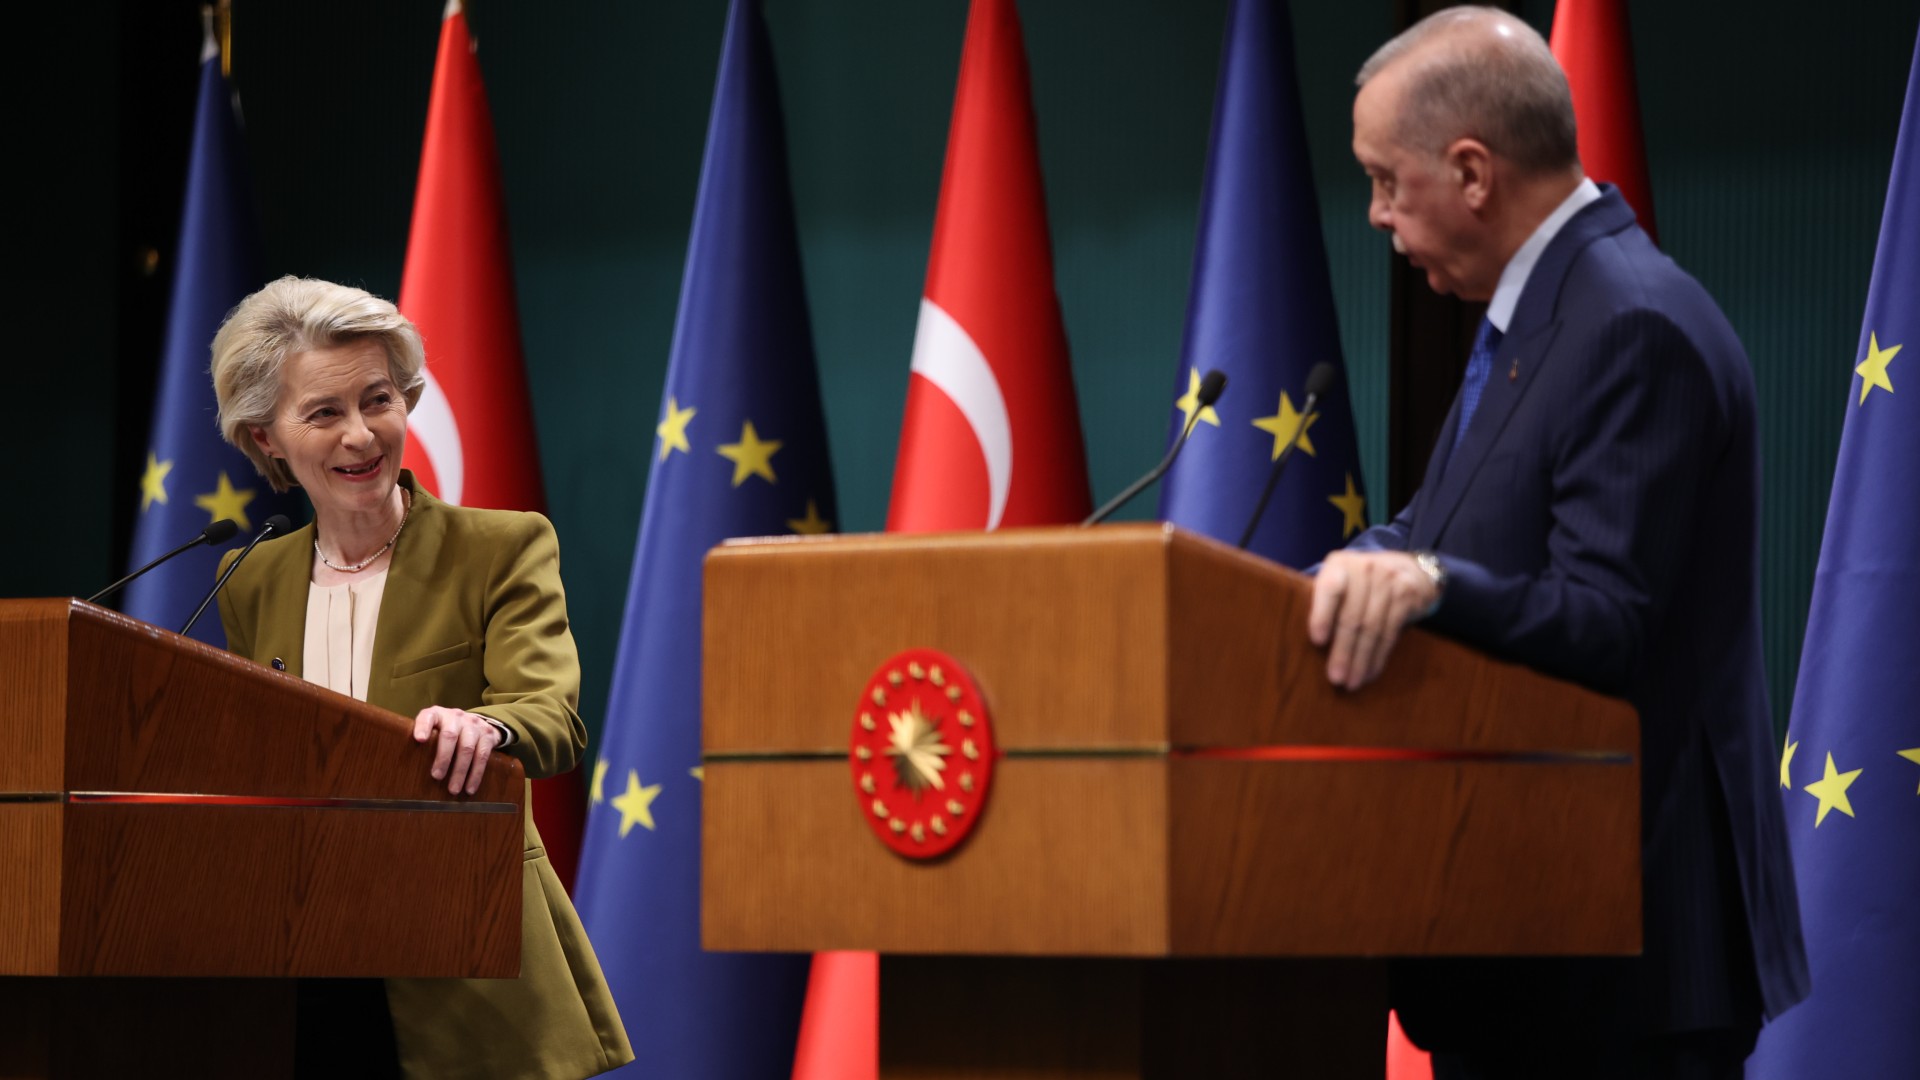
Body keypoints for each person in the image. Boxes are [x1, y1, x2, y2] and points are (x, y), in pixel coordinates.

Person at [1308, 9, 1808, 1078]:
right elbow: (1438, 530)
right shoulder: (1542, 314)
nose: (1377, 213)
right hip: (1533, 939)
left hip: (1625, 959)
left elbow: (1605, 618)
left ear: (1472, 172)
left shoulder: (1629, 323)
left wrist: (1424, 583)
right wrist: (1286, 588)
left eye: (1387, 181)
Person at [209, 275, 634, 1079]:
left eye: (378, 400)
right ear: (266, 437)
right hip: (302, 967)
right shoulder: (247, 579)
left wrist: (488, 727)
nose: (361, 435)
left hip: (462, 964)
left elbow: (552, 716)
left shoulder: (501, 547)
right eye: (324, 413)